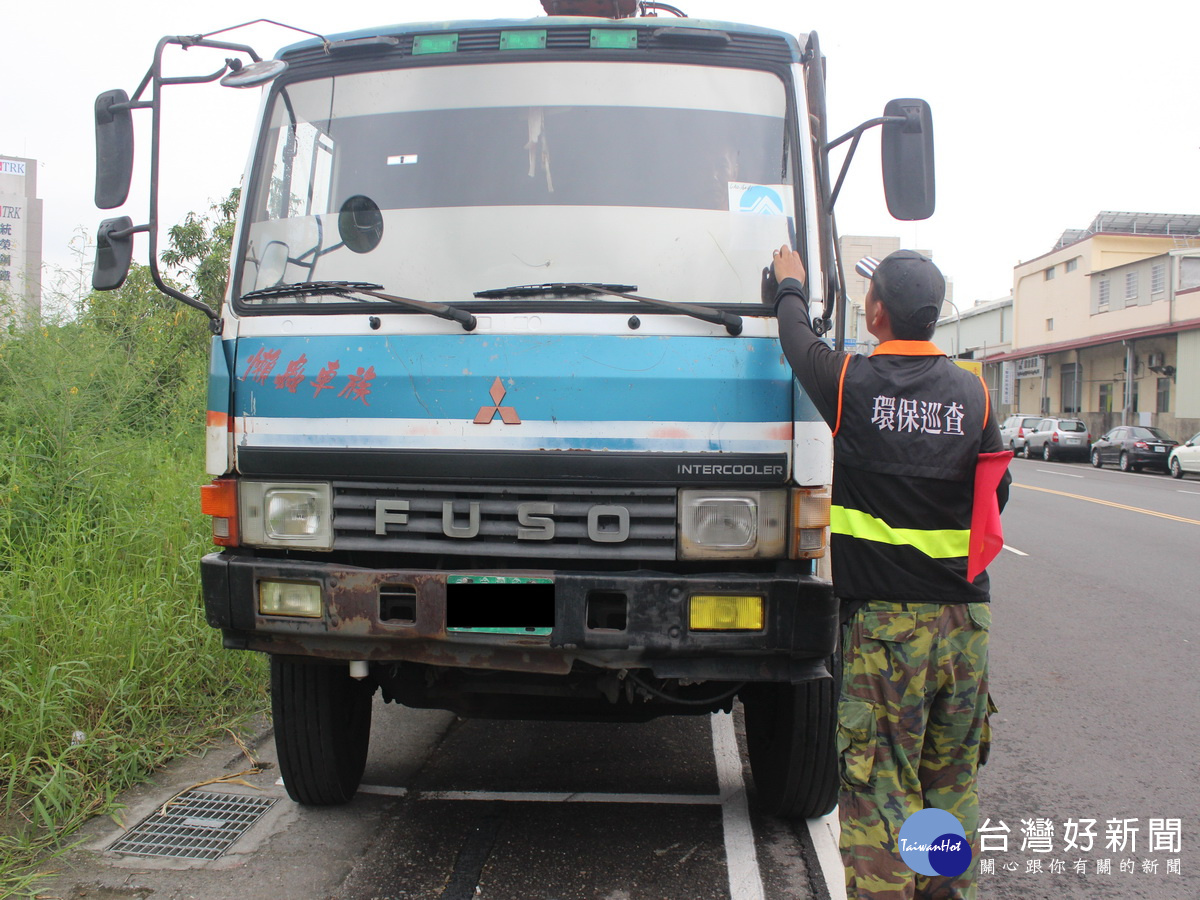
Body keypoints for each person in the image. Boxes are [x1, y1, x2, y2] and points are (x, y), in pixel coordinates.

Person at [770, 245, 1011, 900]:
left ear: (876, 312)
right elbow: (998, 495)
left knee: (884, 790)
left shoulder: (854, 385)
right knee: (949, 788)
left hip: (888, 632)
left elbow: (796, 342)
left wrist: (790, 284)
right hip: (965, 626)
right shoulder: (975, 394)